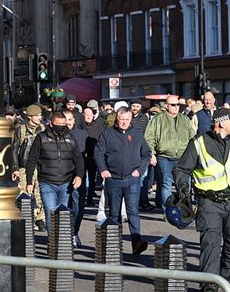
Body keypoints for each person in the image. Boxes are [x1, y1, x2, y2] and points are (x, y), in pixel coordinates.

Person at [174, 108, 230, 292]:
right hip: (209, 202)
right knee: (210, 243)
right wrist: (183, 190)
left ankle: (228, 277)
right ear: (221, 123)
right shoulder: (199, 143)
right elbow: (181, 169)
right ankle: (209, 283)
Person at [94, 107, 151, 255]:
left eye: (127, 120)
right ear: (117, 120)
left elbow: (146, 154)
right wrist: (103, 169)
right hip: (113, 179)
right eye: (121, 120)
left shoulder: (137, 134)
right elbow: (98, 153)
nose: (124, 122)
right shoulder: (107, 134)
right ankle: (114, 246)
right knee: (114, 213)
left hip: (132, 179)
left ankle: (136, 243)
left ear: (130, 119)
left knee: (133, 212)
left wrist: (140, 170)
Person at [25, 112, 84, 234]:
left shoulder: (71, 138)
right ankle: (52, 243)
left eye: (64, 124)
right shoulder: (41, 137)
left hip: (66, 183)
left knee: (63, 215)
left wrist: (79, 176)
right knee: (50, 212)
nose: (62, 127)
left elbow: (78, 159)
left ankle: (61, 243)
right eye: (59, 124)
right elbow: (32, 160)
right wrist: (29, 181)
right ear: (51, 124)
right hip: (47, 182)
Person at [145, 96, 195, 209]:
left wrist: (192, 155)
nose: (176, 107)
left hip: (183, 157)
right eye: (173, 105)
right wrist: (152, 154)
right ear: (167, 106)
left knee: (184, 185)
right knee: (166, 184)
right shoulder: (157, 119)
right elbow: (149, 137)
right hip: (164, 157)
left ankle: (184, 210)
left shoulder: (185, 120)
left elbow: (192, 138)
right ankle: (168, 210)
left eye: (178, 105)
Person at [11, 104, 46, 231]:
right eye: (37, 115)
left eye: (40, 115)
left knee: (39, 192)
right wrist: (15, 167)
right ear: (30, 117)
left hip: (39, 165)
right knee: (25, 191)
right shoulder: (21, 130)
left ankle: (40, 219)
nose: (39, 117)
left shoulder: (43, 128)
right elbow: (14, 149)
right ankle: (26, 217)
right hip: (24, 167)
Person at [63, 110, 88, 247]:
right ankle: (66, 234)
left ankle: (74, 231)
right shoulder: (57, 135)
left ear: (74, 121)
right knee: (65, 206)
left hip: (79, 175)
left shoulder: (82, 135)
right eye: (65, 119)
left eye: (70, 120)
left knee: (78, 206)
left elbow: (88, 155)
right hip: (62, 175)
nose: (67, 122)